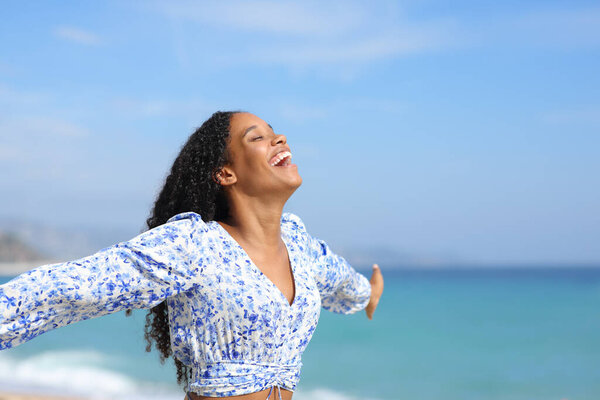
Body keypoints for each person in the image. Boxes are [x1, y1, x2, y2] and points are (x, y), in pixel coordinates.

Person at [0, 111, 384, 400]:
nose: (279, 138)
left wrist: (368, 294)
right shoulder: (195, 246)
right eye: (258, 138)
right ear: (225, 173)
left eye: (275, 133)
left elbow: (342, 284)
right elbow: (76, 287)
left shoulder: (300, 246)